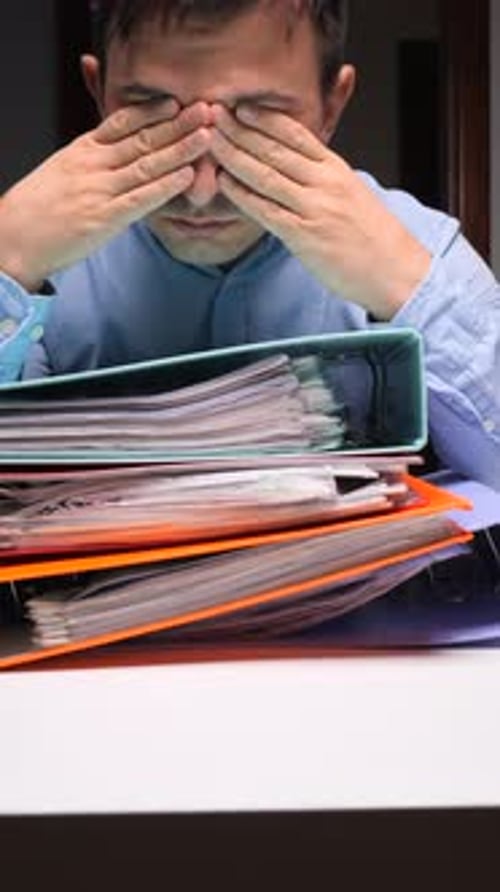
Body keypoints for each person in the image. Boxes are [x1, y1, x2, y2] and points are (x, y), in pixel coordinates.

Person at [0, 0, 498, 488]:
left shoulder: (420, 247)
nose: (201, 190)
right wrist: (6, 261)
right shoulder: (37, 253)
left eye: (257, 121)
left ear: (332, 105)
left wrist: (408, 288)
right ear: (98, 93)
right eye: (154, 119)